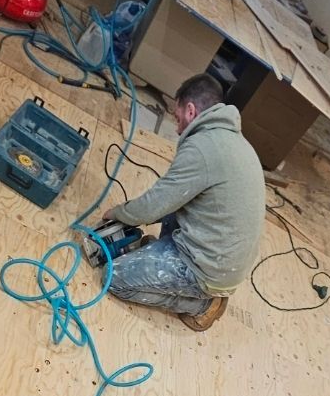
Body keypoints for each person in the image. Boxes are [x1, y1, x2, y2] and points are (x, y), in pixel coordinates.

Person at [101, 73, 266, 331]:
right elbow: (170, 198)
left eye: (177, 119)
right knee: (178, 198)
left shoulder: (202, 148)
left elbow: (155, 204)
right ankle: (164, 262)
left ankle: (204, 304)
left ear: (190, 110)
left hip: (209, 269)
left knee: (114, 278)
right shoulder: (232, 140)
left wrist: (118, 213)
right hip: (222, 254)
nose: (177, 129)